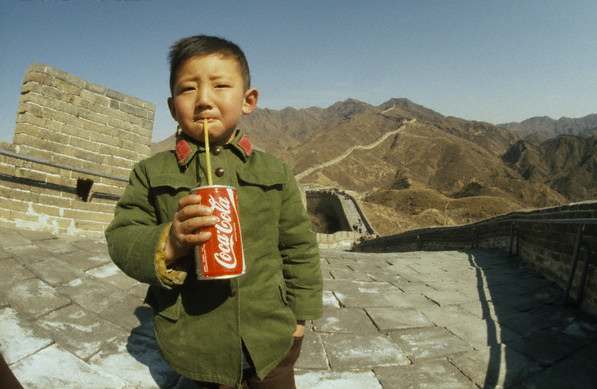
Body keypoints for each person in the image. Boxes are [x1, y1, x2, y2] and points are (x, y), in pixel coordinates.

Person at [105, 35, 322, 389]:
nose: (204, 100)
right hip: (194, 341)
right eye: (188, 89)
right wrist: (170, 242)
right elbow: (122, 235)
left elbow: (298, 247)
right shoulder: (151, 172)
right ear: (173, 106)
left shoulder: (274, 172)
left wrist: (299, 319)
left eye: (220, 85)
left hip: (271, 339)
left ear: (248, 100)